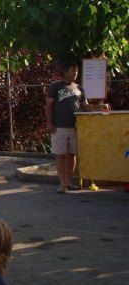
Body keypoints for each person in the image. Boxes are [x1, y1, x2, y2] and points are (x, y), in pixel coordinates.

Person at [45, 63, 108, 193]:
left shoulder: (80, 88)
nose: (75, 73)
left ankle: (69, 182)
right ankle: (62, 184)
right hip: (59, 127)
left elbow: (86, 106)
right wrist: (49, 123)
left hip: (74, 127)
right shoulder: (55, 87)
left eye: (77, 72)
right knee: (61, 155)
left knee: (72, 154)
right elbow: (49, 106)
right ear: (65, 72)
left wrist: (100, 106)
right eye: (73, 71)